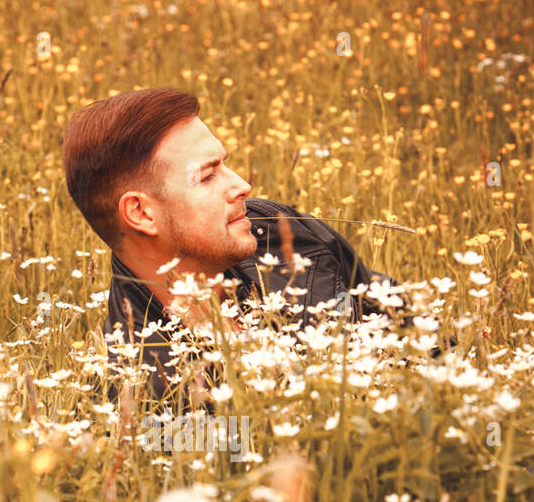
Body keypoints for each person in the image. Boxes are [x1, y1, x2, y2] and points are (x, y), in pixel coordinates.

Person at [62, 87, 407, 401]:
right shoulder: (144, 392)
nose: (242, 185)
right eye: (208, 175)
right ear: (141, 213)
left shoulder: (278, 232)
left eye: (225, 165)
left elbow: (412, 326)